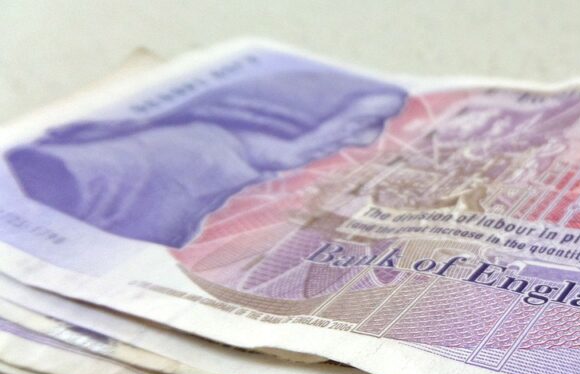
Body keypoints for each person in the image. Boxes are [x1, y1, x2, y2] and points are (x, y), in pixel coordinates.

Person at [4, 68, 406, 248]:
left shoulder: (228, 169)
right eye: (362, 122)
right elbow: (39, 180)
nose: (364, 139)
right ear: (293, 113)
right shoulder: (177, 150)